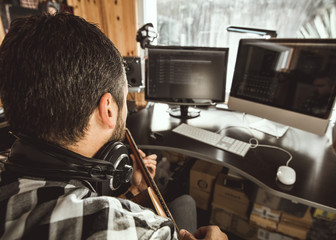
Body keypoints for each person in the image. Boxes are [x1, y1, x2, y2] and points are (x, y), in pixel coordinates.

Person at [0, 13, 228, 240]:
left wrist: (133, 192)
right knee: (187, 201)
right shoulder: (146, 232)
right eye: (125, 97)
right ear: (108, 109)